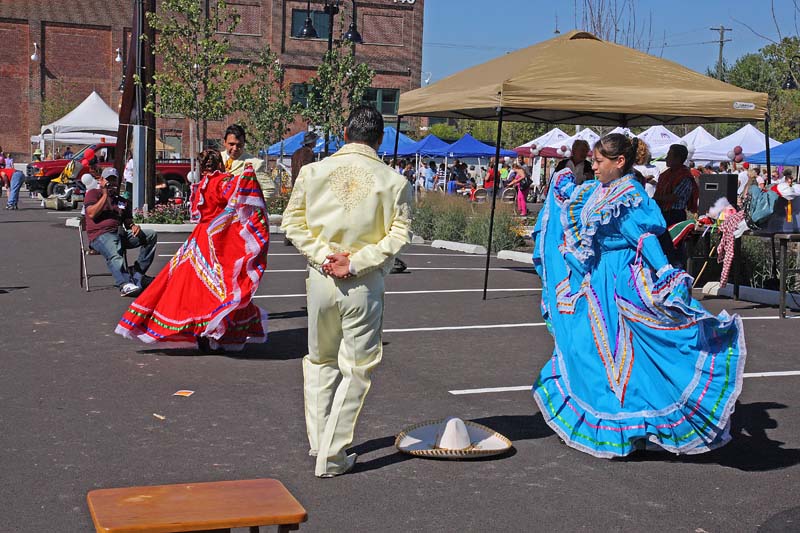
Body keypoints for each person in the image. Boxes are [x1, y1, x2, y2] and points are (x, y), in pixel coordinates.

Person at [531, 132, 746, 458]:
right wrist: (562, 187)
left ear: (620, 162)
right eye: (593, 160)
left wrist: (665, 272)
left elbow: (643, 239)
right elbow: (573, 211)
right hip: (597, 279)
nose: (594, 166)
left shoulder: (629, 195)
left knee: (631, 357)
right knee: (589, 352)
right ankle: (621, 426)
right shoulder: (596, 189)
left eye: (599, 161)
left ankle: (635, 425)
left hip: (623, 281)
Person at [281, 105, 412, 478]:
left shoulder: (312, 172)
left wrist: (324, 255)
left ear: (344, 131)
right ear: (380, 138)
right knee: (356, 369)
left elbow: (292, 223)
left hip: (321, 279)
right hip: (362, 281)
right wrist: (353, 262)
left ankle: (320, 441)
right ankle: (332, 454)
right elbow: (399, 235)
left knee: (320, 361)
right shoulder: (394, 181)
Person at [116, 149, 270, 352]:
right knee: (220, 290)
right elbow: (238, 194)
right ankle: (213, 332)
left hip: (198, 240)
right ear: (219, 164)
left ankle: (203, 333)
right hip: (215, 240)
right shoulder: (222, 181)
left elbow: (200, 214)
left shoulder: (200, 186)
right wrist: (248, 173)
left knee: (192, 291)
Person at [84, 168, 158, 296]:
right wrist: (105, 194)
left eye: (114, 181)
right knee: (114, 244)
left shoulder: (121, 200)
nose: (111, 184)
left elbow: (127, 220)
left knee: (150, 235)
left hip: (119, 234)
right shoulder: (93, 194)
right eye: (109, 180)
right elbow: (91, 213)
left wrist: (133, 226)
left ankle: (137, 273)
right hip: (100, 235)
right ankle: (124, 284)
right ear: (101, 180)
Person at [221, 124, 275, 197]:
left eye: (239, 145)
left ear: (244, 144)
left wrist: (254, 206)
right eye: (231, 144)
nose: (235, 148)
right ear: (224, 142)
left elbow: (269, 189)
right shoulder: (214, 159)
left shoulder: (255, 164)